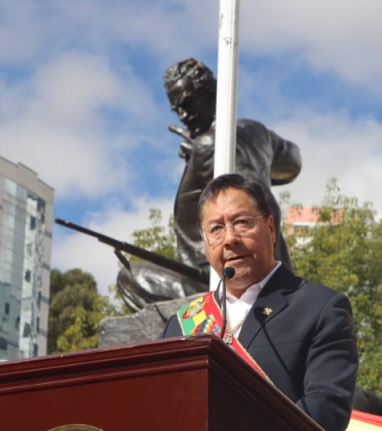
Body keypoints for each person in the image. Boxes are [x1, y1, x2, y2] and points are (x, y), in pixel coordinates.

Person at [160, 173, 358, 431]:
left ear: (271, 228)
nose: (229, 238)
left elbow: (324, 413)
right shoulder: (179, 324)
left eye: (241, 222)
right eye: (216, 229)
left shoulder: (321, 308)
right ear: (205, 243)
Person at [116, 57, 301, 311]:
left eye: (188, 103)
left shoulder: (210, 147)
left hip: (218, 280)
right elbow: (293, 163)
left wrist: (204, 150)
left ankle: (197, 329)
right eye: (177, 109)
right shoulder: (257, 132)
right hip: (267, 275)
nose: (183, 115)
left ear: (214, 91)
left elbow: (257, 200)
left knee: (129, 276)